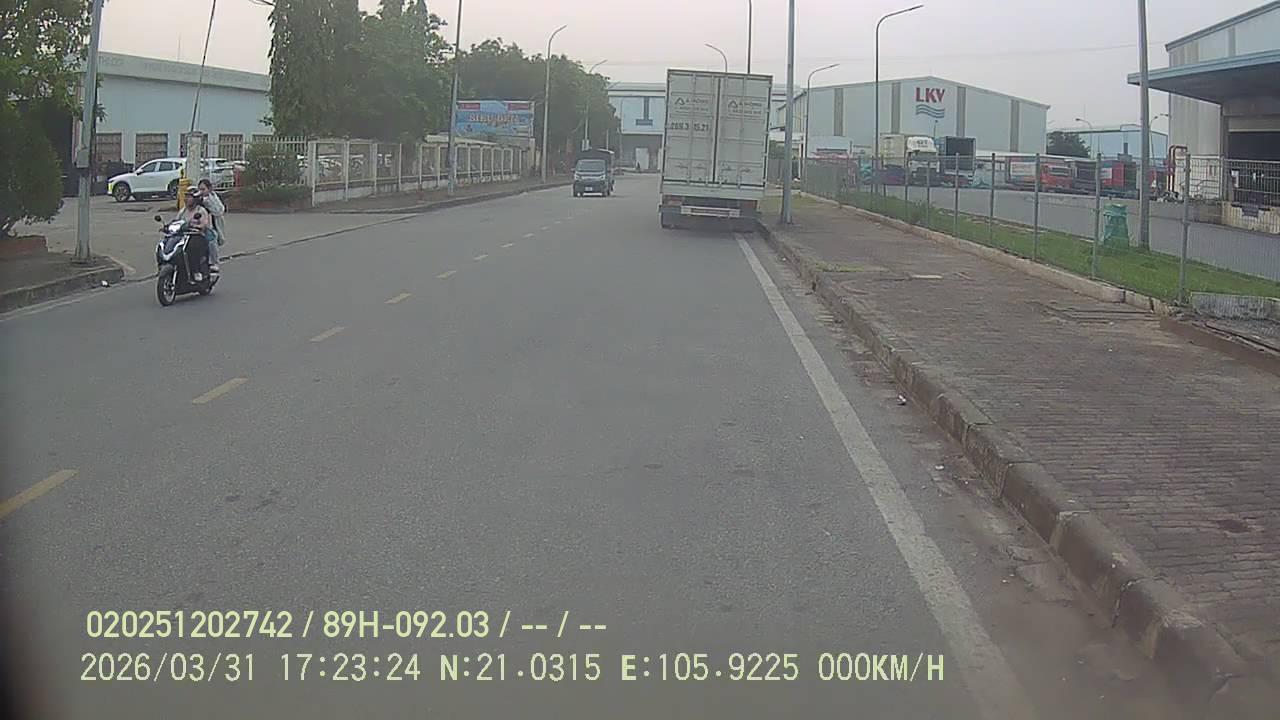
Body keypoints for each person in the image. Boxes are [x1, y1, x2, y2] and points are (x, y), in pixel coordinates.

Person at [175, 188, 213, 280]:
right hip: (183, 236)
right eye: (186, 197)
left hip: (197, 236)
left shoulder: (201, 210)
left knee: (191, 247)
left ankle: (196, 271)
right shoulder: (183, 211)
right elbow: (176, 221)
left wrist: (196, 226)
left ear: (196, 199)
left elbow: (204, 225)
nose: (186, 199)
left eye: (189, 197)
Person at [197, 178, 226, 274]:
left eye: (203, 189)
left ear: (209, 189)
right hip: (195, 227)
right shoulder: (196, 199)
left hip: (209, 227)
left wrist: (207, 202)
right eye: (199, 189)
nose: (201, 192)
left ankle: (214, 263)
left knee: (211, 240)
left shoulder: (213, 199)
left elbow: (219, 211)